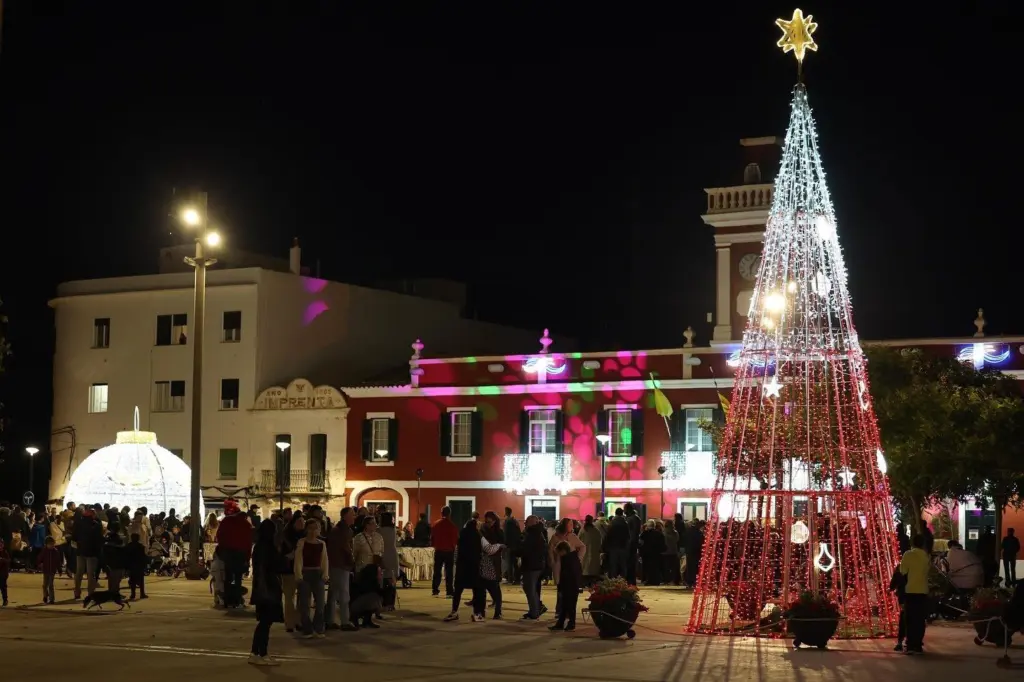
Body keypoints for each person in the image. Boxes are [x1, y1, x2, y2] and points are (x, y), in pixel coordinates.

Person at [250, 520, 284, 667]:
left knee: (264, 622)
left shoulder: (259, 546)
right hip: (268, 588)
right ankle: (261, 653)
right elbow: (272, 566)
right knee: (265, 622)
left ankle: (257, 652)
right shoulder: (267, 547)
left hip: (262, 587)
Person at [294, 518, 328, 638]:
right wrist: (298, 575)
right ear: (307, 529)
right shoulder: (302, 542)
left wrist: (325, 574)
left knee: (320, 603)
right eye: (311, 528)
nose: (313, 531)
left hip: (317, 573)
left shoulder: (321, 544)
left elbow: (324, 560)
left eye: (316, 528)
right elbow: (298, 560)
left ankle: (318, 628)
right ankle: (307, 629)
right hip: (305, 573)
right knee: (304, 604)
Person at [216, 499, 253, 608]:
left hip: (228, 553)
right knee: (238, 579)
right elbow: (248, 543)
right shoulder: (246, 525)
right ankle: (237, 600)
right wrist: (247, 558)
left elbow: (220, 536)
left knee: (227, 577)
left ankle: (227, 600)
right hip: (240, 555)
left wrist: (222, 549)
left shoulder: (226, 521)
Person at [444, 519, 483, 622]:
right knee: (476, 590)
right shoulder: (478, 536)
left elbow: (457, 551)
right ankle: (476, 613)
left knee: (458, 591)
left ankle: (454, 611)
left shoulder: (462, 535)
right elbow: (480, 552)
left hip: (462, 567)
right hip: (474, 567)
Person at [899, 534, 931, 655]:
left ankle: (910, 644)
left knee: (910, 618)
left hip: (910, 590)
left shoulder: (908, 554)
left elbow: (903, 571)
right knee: (920, 618)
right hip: (922, 590)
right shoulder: (926, 556)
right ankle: (918, 644)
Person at [326, 507, 357, 631]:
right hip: (341, 565)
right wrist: (351, 561)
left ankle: (330, 620)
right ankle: (344, 621)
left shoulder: (340, 530)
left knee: (334, 593)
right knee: (343, 593)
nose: (354, 516)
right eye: (352, 514)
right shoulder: (342, 531)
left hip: (337, 564)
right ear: (345, 516)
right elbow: (346, 549)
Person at [549, 540, 582, 632]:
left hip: (570, 586)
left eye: (559, 553)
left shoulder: (568, 560)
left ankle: (571, 623)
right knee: (565, 606)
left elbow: (566, 575)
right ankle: (561, 623)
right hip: (571, 585)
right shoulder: (572, 558)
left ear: (563, 551)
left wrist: (561, 586)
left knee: (570, 606)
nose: (558, 555)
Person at [519, 516, 547, 620]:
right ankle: (534, 610)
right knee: (532, 589)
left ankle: (534, 612)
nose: (525, 523)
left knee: (530, 589)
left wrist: (517, 550)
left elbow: (526, 549)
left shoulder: (532, 534)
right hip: (536, 565)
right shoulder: (538, 533)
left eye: (526, 522)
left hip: (532, 565)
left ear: (532, 523)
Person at [431, 506, 458, 597]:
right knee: (449, 572)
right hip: (449, 551)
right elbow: (454, 540)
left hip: (438, 550)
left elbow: (432, 537)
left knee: (437, 571)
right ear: (449, 513)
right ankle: (449, 591)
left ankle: (435, 590)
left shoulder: (435, 524)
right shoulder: (452, 525)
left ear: (441, 513)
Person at [37, 536, 61, 604]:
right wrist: (40, 564)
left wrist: (59, 570)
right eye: (50, 544)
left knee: (50, 585)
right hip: (45, 570)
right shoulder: (44, 551)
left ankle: (52, 599)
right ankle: (45, 596)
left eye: (52, 544)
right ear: (46, 544)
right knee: (45, 585)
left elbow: (58, 561)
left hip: (52, 571)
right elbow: (39, 558)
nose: (51, 546)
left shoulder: (55, 552)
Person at [125, 533, 148, 600]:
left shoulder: (129, 546)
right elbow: (143, 557)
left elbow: (126, 557)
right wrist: (145, 565)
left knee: (133, 581)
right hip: (138, 565)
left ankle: (133, 594)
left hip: (132, 565)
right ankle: (142, 593)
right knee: (140, 580)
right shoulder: (140, 546)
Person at [503, 507, 522, 584]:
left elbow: (506, 534)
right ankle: (517, 579)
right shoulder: (515, 521)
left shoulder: (507, 522)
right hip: (516, 545)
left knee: (509, 563)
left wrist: (505, 544)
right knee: (515, 563)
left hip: (509, 545)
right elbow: (519, 533)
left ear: (506, 512)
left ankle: (510, 579)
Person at [0, 539, 9, 606]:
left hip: (3, 574)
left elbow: (8, 561)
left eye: (1, 545)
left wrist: (2, 560)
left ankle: (5, 600)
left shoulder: (5, 552)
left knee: (3, 587)